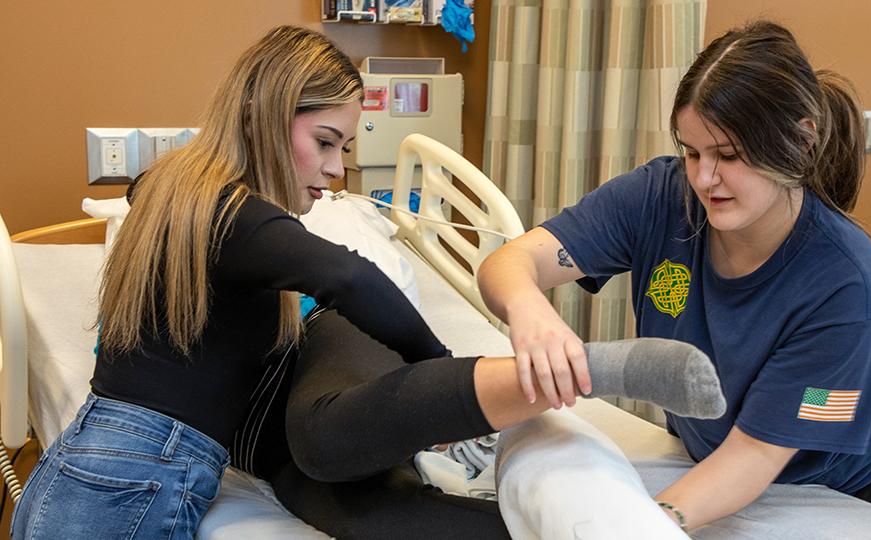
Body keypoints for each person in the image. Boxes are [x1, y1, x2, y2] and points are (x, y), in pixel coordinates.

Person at [12, 26, 725, 539]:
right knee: (341, 495)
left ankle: (573, 370)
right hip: (173, 455)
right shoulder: (239, 216)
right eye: (326, 143)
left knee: (327, 439)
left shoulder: (173, 190)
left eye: (344, 150)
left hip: (113, 453)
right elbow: (349, 275)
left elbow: (353, 285)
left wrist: (445, 385)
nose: (335, 172)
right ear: (265, 114)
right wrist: (437, 366)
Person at [477, 20, 871, 533]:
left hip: (846, 479)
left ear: (800, 142)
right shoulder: (660, 198)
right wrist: (529, 310)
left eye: (729, 156)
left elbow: (755, 453)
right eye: (692, 152)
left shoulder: (844, 281)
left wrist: (647, 523)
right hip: (721, 454)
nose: (704, 179)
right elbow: (509, 262)